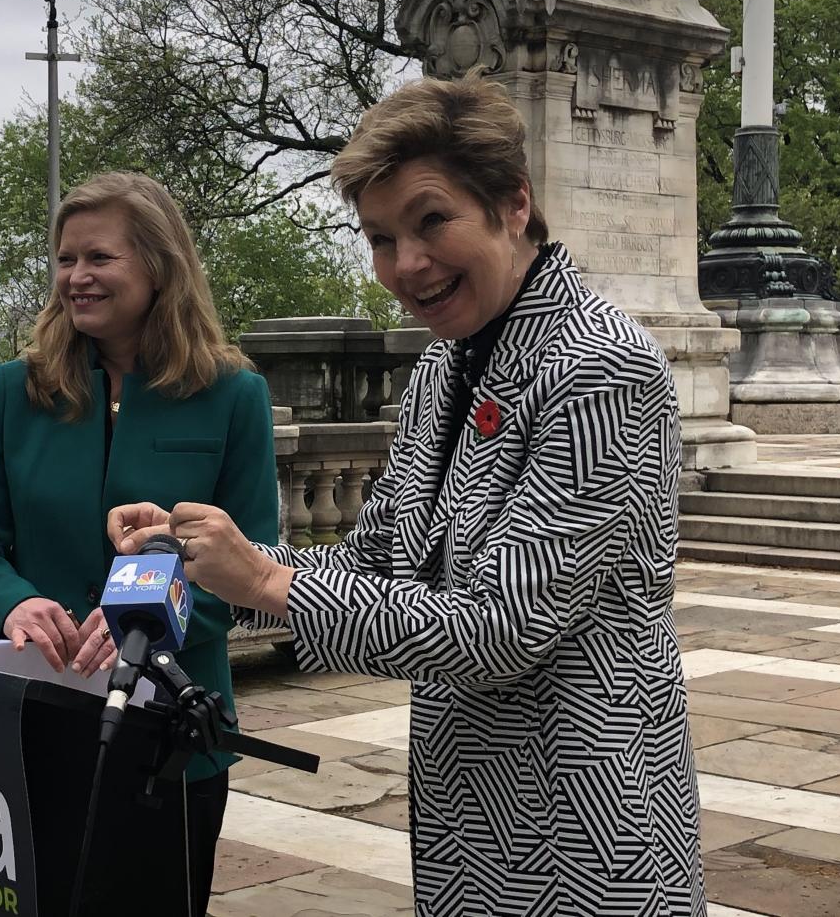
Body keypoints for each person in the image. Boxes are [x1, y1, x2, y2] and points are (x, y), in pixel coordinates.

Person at [109, 73, 703, 916]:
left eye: (432, 221)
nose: (407, 265)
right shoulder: (440, 369)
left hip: (586, 825)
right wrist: (206, 559)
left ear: (514, 205)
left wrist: (269, 584)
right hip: (464, 813)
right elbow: (378, 562)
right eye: (382, 238)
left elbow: (500, 628)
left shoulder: (602, 367)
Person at [0, 171, 279, 916]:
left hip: (172, 733)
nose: (76, 277)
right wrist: (14, 603)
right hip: (34, 714)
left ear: (159, 264)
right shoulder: (10, 392)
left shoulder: (232, 394)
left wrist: (146, 623)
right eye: (66, 259)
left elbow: (253, 564)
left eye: (99, 258)